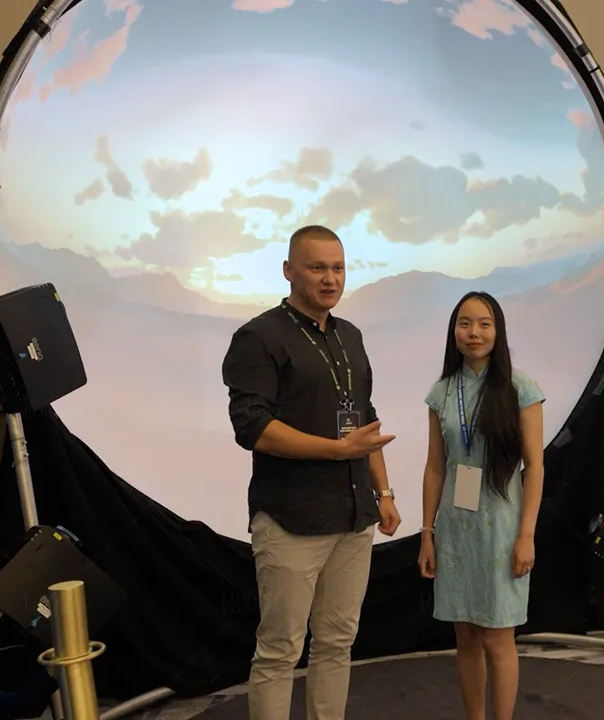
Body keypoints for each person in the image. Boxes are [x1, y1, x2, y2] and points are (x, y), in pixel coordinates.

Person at [221, 225, 403, 720]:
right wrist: (334, 450)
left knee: (337, 643)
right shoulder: (258, 337)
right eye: (317, 267)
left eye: (338, 268)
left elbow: (364, 419)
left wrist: (383, 491)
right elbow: (252, 428)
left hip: (353, 515)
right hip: (290, 519)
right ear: (288, 271)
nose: (330, 278)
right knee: (280, 649)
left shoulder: (350, 336)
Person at [417, 291, 546, 720]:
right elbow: (435, 467)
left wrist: (526, 535)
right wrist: (427, 534)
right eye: (465, 323)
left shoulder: (520, 387)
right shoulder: (441, 393)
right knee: (466, 636)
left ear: (498, 330)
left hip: (503, 528)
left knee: (497, 638)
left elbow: (536, 467)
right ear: (453, 331)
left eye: (485, 323)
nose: (474, 333)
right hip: (455, 527)